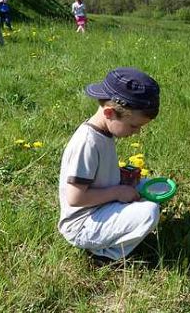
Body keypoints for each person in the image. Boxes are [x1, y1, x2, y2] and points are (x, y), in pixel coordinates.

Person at [58, 67, 160, 262]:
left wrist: (122, 178)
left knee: (150, 186)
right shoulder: (88, 142)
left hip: (100, 207)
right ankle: (104, 255)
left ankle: (115, 234)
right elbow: (75, 197)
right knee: (149, 212)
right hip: (82, 224)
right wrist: (117, 192)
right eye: (134, 126)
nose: (137, 132)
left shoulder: (104, 133)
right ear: (110, 113)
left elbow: (97, 176)